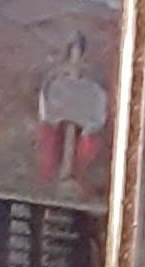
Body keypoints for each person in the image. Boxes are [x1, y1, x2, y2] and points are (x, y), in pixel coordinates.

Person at [35, 33, 112, 196]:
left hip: (82, 153)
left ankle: (73, 177)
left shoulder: (94, 92)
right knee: (49, 148)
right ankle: (49, 183)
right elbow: (48, 120)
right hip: (56, 137)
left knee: (88, 148)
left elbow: (94, 126)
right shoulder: (55, 87)